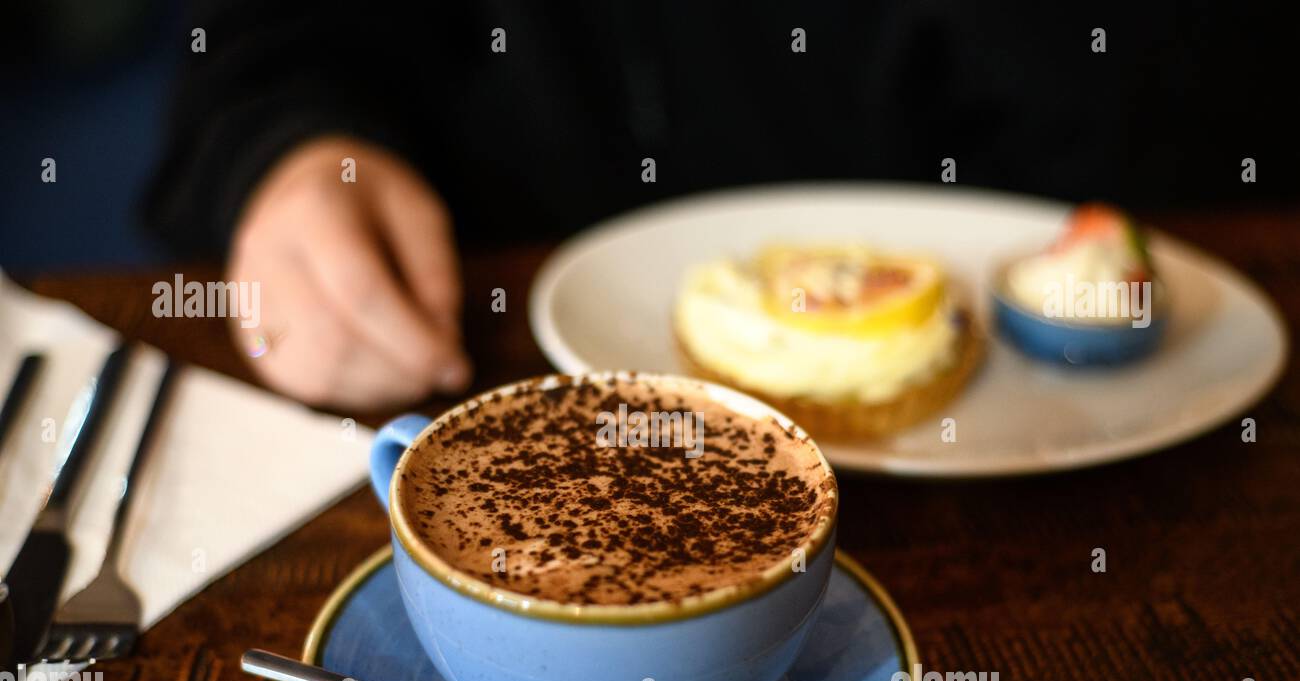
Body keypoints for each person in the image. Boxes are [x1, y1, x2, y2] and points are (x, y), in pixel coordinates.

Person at [145, 1, 1286, 410]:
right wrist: (293, 160)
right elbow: (267, 44)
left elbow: (1199, 127)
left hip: (1048, 436)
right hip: (497, 361)